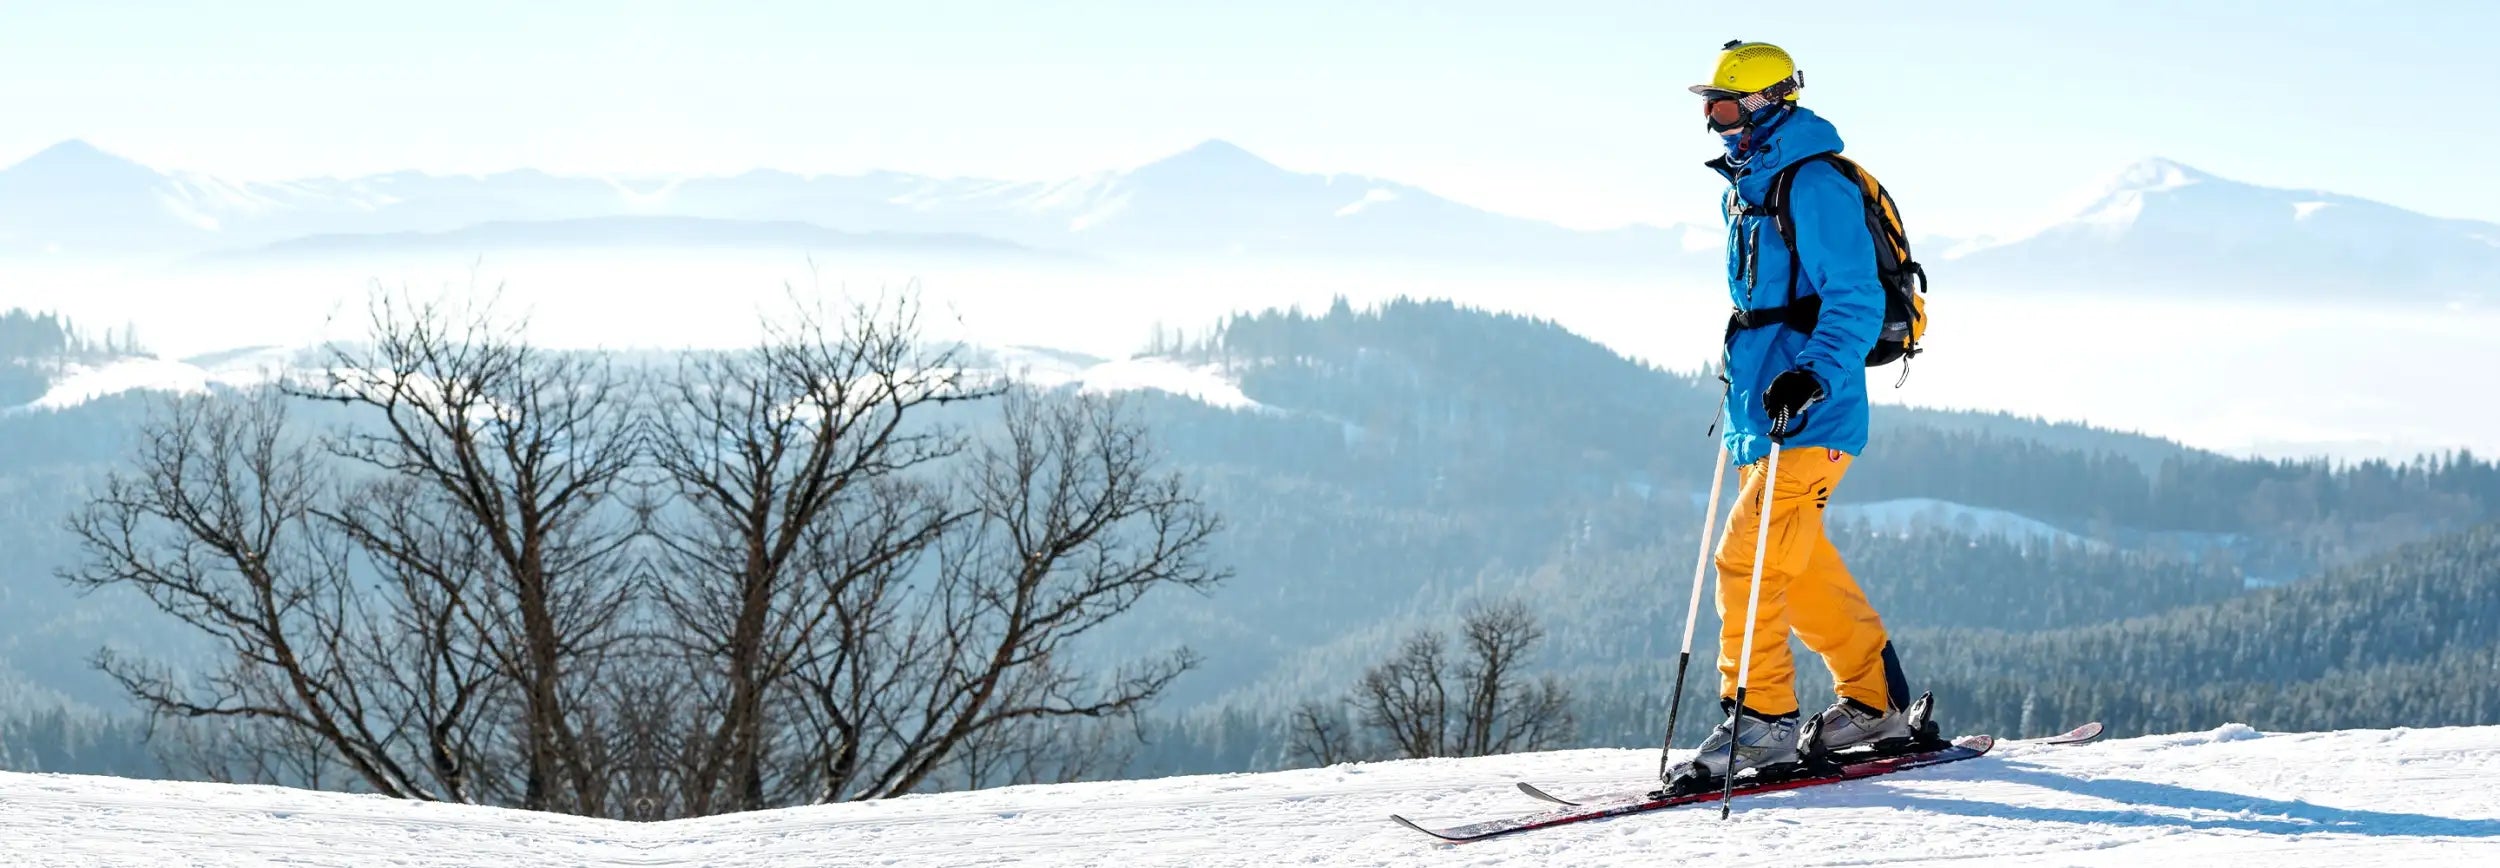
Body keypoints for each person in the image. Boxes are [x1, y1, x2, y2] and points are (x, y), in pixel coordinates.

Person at [1672, 40, 1917, 782]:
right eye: (1709, 108)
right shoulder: (1748, 188)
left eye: (1723, 106)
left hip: (1812, 409)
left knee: (1745, 557)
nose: (1714, 122)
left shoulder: (1812, 185)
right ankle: (1876, 705)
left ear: (1767, 103)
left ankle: (1763, 721)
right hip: (1763, 404)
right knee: (1799, 566)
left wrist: (1809, 375)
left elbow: (1854, 295)